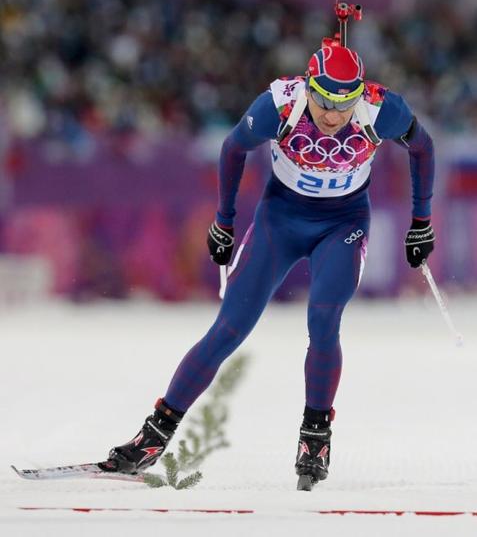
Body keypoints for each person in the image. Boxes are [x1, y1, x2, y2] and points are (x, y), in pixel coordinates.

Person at [99, 43, 435, 489]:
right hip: (280, 219)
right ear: (308, 88)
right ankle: (154, 436)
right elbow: (233, 148)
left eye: (344, 103)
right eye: (324, 102)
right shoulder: (280, 105)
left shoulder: (380, 108)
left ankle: (315, 436)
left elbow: (423, 148)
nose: (334, 115)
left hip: (343, 224)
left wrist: (422, 222)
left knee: (323, 318)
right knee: (229, 328)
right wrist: (224, 221)